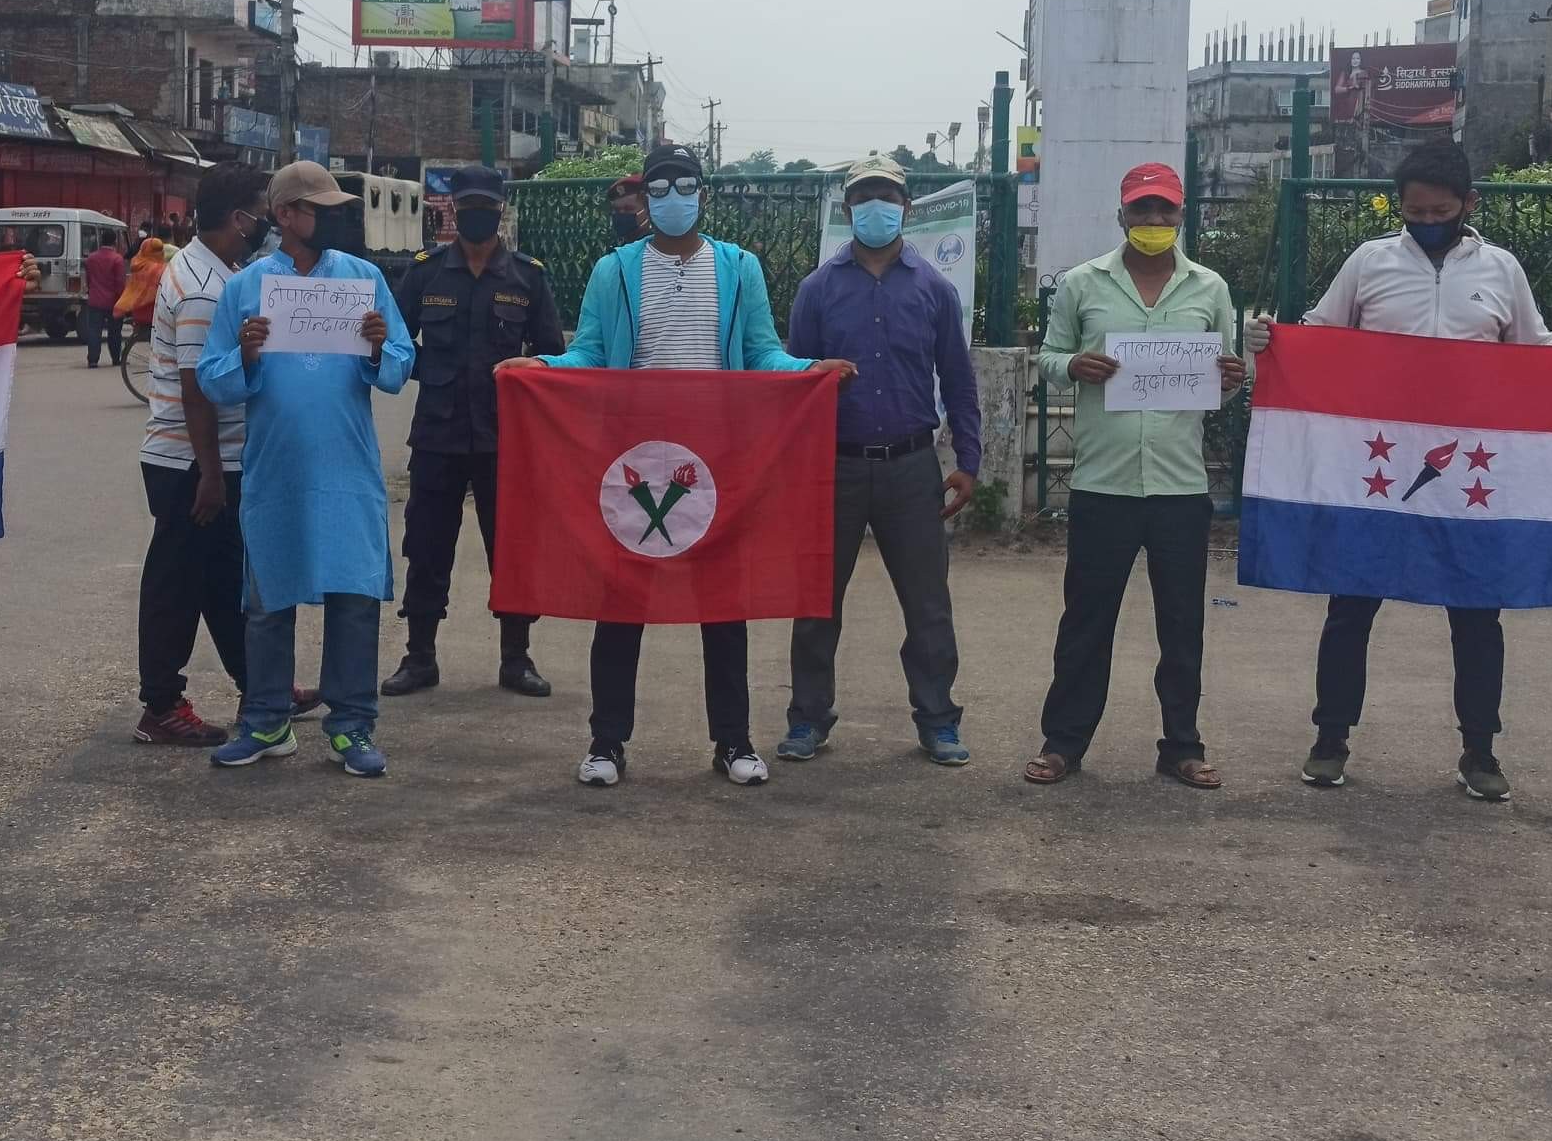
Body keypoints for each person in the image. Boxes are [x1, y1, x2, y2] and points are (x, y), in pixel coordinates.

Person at [1288, 142, 1552, 802]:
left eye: (1439, 210)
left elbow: (1536, 349)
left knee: (1476, 613)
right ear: (1399, 207)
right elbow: (1322, 333)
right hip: (1380, 465)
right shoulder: (1369, 262)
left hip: (1470, 469)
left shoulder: (1501, 269)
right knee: (1350, 604)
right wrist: (1280, 345)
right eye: (1413, 210)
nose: (1426, 220)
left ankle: (1480, 748)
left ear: (1469, 205)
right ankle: (1331, 737)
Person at [532, 142, 839, 790]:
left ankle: (733, 740)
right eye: (660, 186)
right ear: (646, 196)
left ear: (704, 191)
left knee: (723, 602)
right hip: (635, 455)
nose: (673, 197)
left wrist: (809, 372)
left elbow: (761, 352)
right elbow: (588, 351)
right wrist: (543, 368)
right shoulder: (614, 270)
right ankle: (607, 741)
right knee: (621, 603)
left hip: (715, 454)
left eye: (685, 184)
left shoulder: (739, 267)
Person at [1025, 162, 1245, 789]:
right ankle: (1063, 741)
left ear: (1181, 217)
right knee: (1087, 620)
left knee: (1181, 624)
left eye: (1165, 212)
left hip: (1179, 486)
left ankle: (1181, 744)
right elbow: (1047, 356)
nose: (1153, 223)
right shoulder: (1082, 284)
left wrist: (1231, 380)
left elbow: (1219, 382)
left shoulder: (1210, 289)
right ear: (1121, 215)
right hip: (1103, 482)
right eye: (1142, 211)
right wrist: (1075, 366)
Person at [198, 161, 413, 778]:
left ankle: (351, 725)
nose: (335, 217)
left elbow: (400, 365)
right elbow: (214, 381)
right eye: (320, 207)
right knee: (268, 598)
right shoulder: (247, 289)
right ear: (285, 214)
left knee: (354, 596)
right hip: (276, 469)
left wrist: (377, 342)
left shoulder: (364, 279)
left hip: (348, 467)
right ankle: (266, 719)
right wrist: (245, 349)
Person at [782, 157, 983, 767]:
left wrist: (967, 459)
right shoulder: (818, 289)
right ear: (848, 210)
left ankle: (938, 719)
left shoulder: (935, 290)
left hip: (911, 467)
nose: (876, 206)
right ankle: (807, 718)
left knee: (927, 603)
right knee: (816, 599)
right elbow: (795, 379)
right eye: (864, 196)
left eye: (887, 196)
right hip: (832, 468)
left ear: (907, 207)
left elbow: (958, 377)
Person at [383, 168, 566, 701]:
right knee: (426, 546)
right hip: (437, 433)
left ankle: (516, 658)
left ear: (501, 210)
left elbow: (552, 354)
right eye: (467, 206)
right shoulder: (426, 272)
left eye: (487, 205)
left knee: (510, 549)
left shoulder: (528, 277)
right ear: (452, 212)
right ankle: (420, 657)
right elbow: (395, 341)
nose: (477, 215)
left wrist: (528, 368)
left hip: (505, 438)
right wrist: (431, 371)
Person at [134, 169, 262, 747]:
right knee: (177, 583)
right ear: (239, 218)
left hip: (201, 458)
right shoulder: (205, 288)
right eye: (259, 212)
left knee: (220, 577)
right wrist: (210, 474)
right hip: (192, 460)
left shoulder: (206, 267)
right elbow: (196, 387)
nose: (264, 223)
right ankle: (161, 703)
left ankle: (260, 685)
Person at [82, 229, 130, 370]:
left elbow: (89, 280)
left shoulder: (91, 258)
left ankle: (93, 360)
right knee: (115, 332)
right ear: (114, 241)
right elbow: (120, 283)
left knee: (94, 331)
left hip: (95, 300)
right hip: (113, 301)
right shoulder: (117, 259)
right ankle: (116, 358)